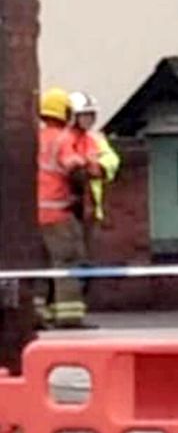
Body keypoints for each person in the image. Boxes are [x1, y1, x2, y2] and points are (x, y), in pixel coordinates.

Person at [37, 87, 100, 328]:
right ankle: (69, 316)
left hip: (33, 215)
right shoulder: (63, 139)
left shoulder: (35, 137)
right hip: (58, 213)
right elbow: (74, 168)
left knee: (40, 267)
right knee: (69, 262)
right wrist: (90, 172)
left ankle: (39, 314)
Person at [68, 91, 120, 237]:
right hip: (67, 208)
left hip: (91, 208)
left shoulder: (95, 139)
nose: (89, 119)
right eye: (85, 115)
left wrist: (100, 167)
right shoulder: (64, 139)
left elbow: (112, 159)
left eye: (91, 115)